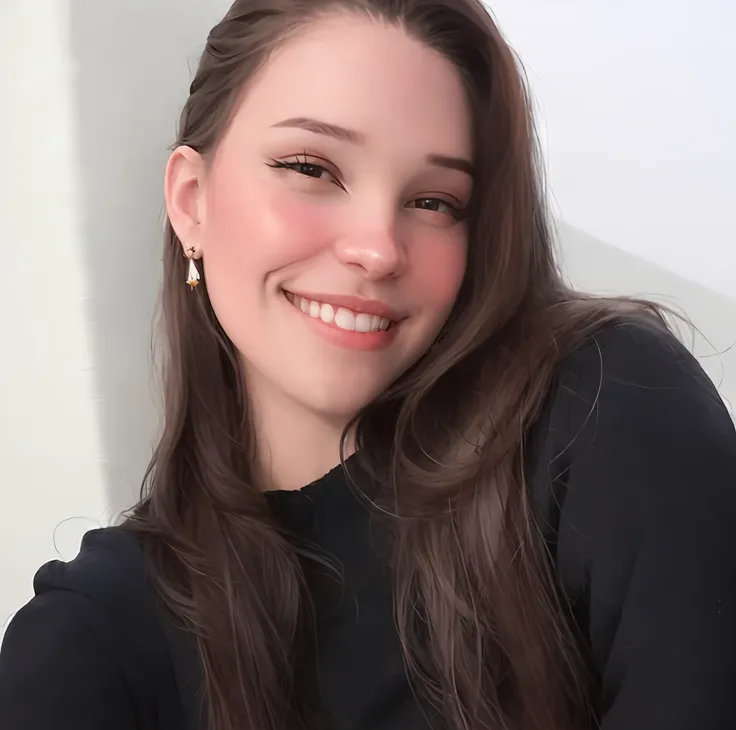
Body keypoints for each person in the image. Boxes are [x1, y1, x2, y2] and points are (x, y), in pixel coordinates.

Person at [2, 0, 735, 728]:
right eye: (311, 168)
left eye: (435, 201)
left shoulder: (603, 413)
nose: (379, 248)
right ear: (192, 201)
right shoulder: (93, 639)